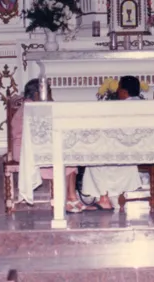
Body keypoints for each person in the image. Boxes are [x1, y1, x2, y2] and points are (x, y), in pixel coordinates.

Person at [12, 79, 83, 213]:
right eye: (49, 92)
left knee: (70, 153)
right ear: (39, 94)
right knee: (65, 156)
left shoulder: (35, 106)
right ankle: (66, 199)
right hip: (26, 151)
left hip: (36, 147)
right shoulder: (32, 108)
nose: (51, 96)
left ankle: (72, 197)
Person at [81, 75, 143, 210]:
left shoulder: (122, 107)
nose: (117, 92)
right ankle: (108, 197)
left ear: (124, 92)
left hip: (124, 151)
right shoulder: (144, 104)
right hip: (137, 148)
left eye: (119, 89)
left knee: (95, 158)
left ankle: (104, 198)